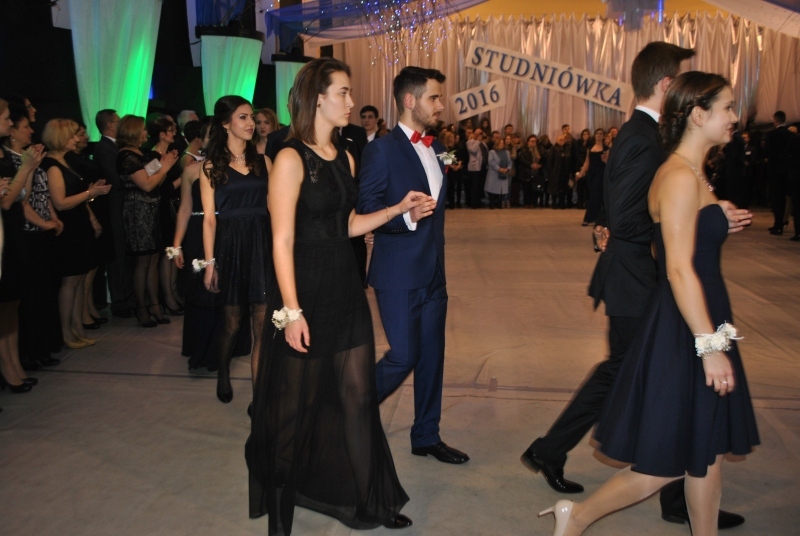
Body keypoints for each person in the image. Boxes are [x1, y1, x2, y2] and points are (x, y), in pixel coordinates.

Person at [522, 41, 750, 531]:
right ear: (680, 97)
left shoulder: (678, 158)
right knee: (642, 401)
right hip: (652, 289)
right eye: (728, 107)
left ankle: (665, 504)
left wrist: (711, 215)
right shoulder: (648, 143)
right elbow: (637, 222)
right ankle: (560, 469)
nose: (736, 116)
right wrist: (709, 343)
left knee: (692, 435)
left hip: (687, 301)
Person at [246, 58, 424, 534]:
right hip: (303, 294)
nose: (351, 101)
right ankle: (279, 507)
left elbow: (346, 225)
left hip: (345, 289)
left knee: (358, 398)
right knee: (294, 409)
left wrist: (397, 210)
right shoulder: (289, 158)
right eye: (343, 92)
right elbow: (281, 240)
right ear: (317, 98)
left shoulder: (345, 155)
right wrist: (290, 311)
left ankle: (371, 500)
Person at [358, 66, 469, 466]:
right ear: (410, 100)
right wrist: (405, 217)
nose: (441, 105)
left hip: (434, 272)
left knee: (431, 358)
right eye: (434, 98)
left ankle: (426, 435)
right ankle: (347, 408)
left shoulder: (437, 148)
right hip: (398, 273)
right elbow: (367, 209)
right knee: (404, 355)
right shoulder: (381, 151)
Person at [199, 95, 273, 403]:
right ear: (225, 123)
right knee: (231, 323)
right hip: (230, 245)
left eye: (251, 117)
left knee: (262, 324)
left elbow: (274, 208)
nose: (251, 122)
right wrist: (209, 264)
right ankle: (223, 371)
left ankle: (259, 398)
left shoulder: (264, 161)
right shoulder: (211, 166)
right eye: (243, 117)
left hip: (262, 243)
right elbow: (209, 220)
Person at [42, 119, 111, 349]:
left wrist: (91, 200)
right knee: (70, 281)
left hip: (78, 224)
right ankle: (66, 332)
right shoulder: (52, 165)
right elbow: (60, 202)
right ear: (61, 138)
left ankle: (77, 328)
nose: (78, 139)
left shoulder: (65, 161)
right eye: (73, 135)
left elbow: (77, 196)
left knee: (80, 279)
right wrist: (90, 193)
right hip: (68, 228)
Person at [4, 103, 64, 370]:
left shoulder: (25, 157)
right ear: (12, 132)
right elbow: (18, 202)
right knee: (25, 298)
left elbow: (36, 194)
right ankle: (25, 356)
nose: (31, 130)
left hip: (35, 231)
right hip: (24, 232)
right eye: (25, 126)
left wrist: (51, 219)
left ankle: (38, 349)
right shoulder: (11, 159)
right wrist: (44, 223)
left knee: (38, 294)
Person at [116, 115, 179, 327]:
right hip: (138, 211)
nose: (145, 132)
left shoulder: (137, 153)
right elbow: (147, 184)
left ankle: (155, 305)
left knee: (152, 259)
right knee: (143, 261)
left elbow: (151, 176)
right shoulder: (126, 156)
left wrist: (163, 165)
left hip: (150, 210)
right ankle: (142, 308)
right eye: (142, 129)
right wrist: (165, 167)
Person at [0, 98, 44, 394]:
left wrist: (28, 168)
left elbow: (21, 196)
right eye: (6, 117)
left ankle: (14, 364)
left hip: (13, 230)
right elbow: (6, 201)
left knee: (12, 304)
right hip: (3, 232)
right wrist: (26, 167)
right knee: (5, 303)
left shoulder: (5, 153)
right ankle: (8, 368)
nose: (9, 122)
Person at [65, 122, 115, 328]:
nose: (84, 137)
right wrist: (92, 199)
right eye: (79, 133)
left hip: (96, 207)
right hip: (86, 211)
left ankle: (89, 307)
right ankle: (84, 312)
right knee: (86, 267)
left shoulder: (82, 157)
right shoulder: (70, 160)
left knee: (94, 265)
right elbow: (77, 191)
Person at [145, 115, 184, 317]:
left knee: (172, 252)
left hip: (171, 207)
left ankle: (173, 292)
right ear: (162, 134)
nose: (174, 133)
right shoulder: (152, 156)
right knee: (167, 253)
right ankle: (167, 296)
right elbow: (155, 185)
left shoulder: (168, 154)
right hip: (161, 208)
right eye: (171, 130)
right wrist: (182, 177)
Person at [765, 111, 794, 235]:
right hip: (788, 171)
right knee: (787, 199)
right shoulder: (791, 135)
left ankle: (778, 224)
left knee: (777, 198)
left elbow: (768, 152)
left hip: (775, 171)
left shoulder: (771, 135)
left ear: (775, 120)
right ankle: (784, 221)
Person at [578, 128, 608, 226]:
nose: (599, 135)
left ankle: (588, 218)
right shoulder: (590, 148)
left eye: (601, 134)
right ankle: (597, 218)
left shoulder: (606, 148)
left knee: (595, 195)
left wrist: (605, 160)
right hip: (591, 174)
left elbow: (609, 163)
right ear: (594, 135)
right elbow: (587, 162)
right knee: (593, 195)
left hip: (601, 173)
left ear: (603, 136)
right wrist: (581, 173)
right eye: (597, 133)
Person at [485, 137, 513, 208]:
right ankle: (491, 203)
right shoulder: (492, 152)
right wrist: (499, 169)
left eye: (502, 143)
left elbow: (510, 162)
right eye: (500, 143)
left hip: (504, 173)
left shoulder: (507, 152)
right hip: (494, 173)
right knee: (492, 189)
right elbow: (491, 161)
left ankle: (499, 203)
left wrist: (507, 169)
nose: (501, 144)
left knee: (501, 190)